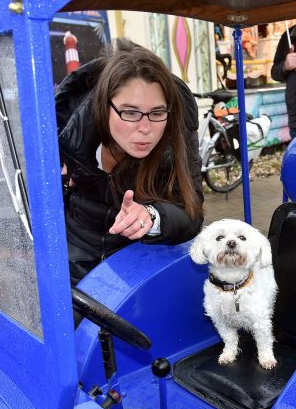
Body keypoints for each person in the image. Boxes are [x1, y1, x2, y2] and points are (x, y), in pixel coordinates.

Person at [55, 38, 204, 285]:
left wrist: (152, 216)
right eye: (131, 112)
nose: (145, 128)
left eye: (157, 113)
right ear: (104, 107)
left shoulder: (173, 143)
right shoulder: (69, 138)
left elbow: (192, 212)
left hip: (137, 265)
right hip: (71, 260)